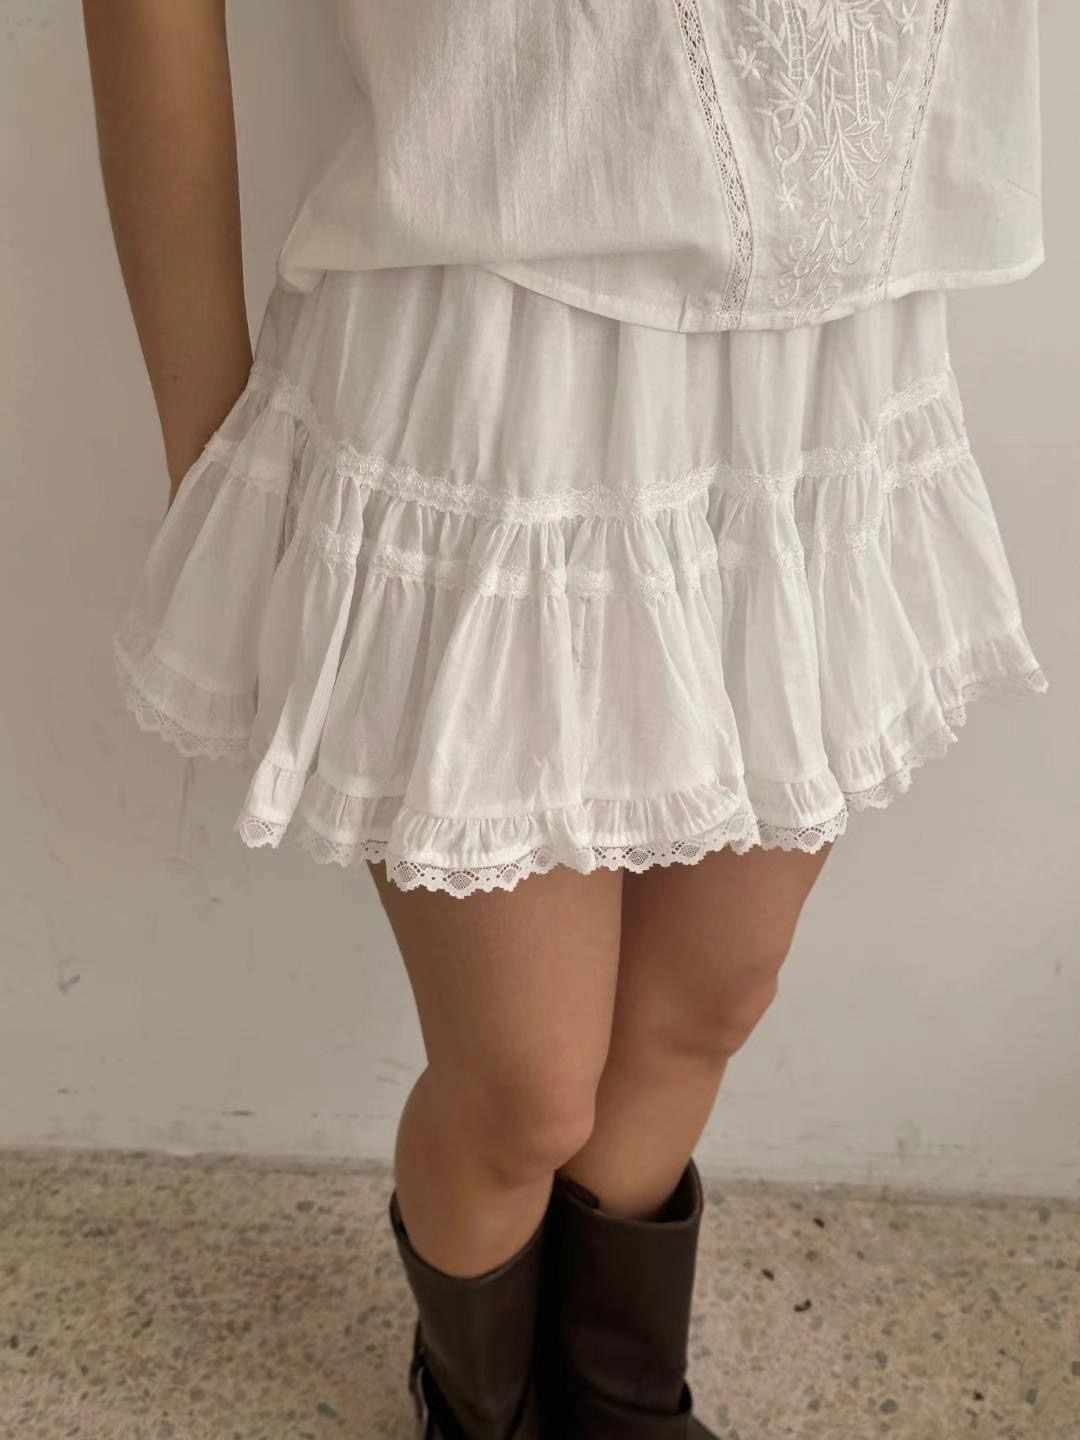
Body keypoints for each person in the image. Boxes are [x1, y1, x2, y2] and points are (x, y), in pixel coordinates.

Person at [84, 2, 1048, 1435]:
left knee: (703, 1007)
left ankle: (619, 1405)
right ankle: (477, 1411)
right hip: (490, 356)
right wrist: (204, 428)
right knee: (525, 1089)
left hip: (832, 351)